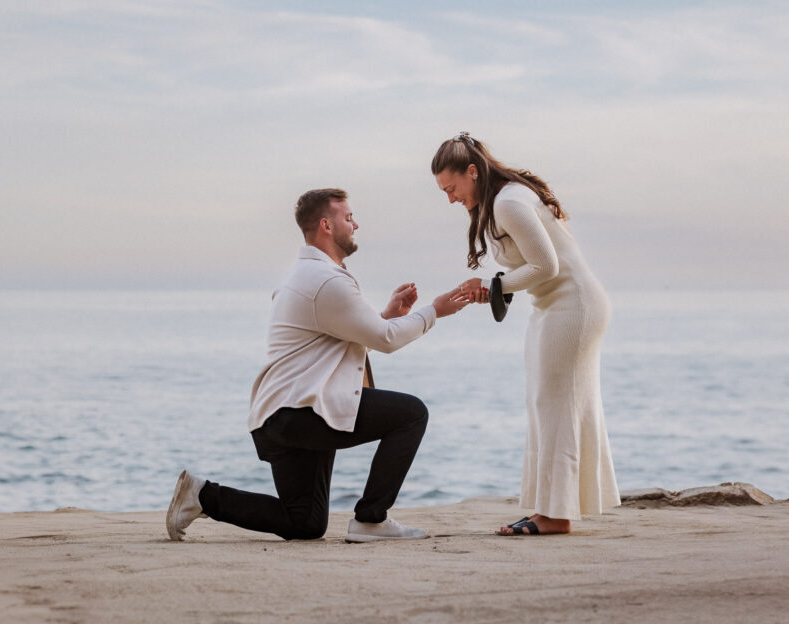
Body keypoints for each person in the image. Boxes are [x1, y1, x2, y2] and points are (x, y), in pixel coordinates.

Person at [167, 188, 469, 543]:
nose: (356, 223)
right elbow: (386, 339)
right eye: (348, 217)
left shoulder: (309, 276)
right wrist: (434, 310)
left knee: (305, 523)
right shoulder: (324, 280)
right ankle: (371, 520)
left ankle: (200, 495)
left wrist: (386, 315)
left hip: (284, 415)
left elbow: (340, 338)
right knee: (411, 414)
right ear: (326, 225)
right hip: (302, 411)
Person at [432, 133, 621, 535]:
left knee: (556, 405)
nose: (450, 198)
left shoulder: (509, 202)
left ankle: (556, 516)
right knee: (544, 404)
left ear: (471, 172)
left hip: (573, 305)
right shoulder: (503, 199)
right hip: (550, 305)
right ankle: (547, 508)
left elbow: (547, 267)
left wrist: (492, 283)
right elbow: (534, 270)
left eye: (451, 188)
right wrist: (494, 287)